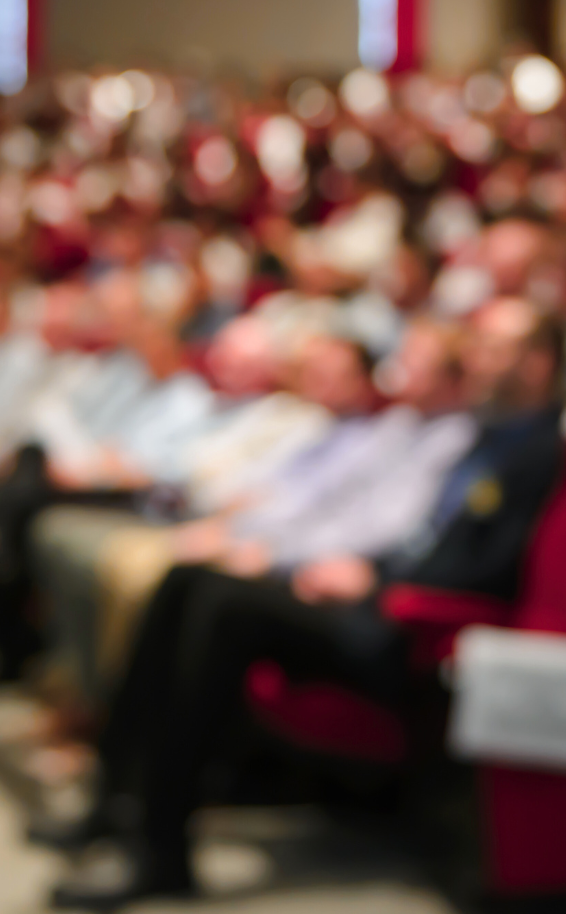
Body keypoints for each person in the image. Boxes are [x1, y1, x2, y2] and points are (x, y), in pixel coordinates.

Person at [38, 297, 565, 909]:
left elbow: (485, 569)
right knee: (187, 582)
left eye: (496, 349)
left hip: (410, 631)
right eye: (476, 345)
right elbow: (408, 526)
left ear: (540, 362)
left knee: (226, 608)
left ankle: (160, 848)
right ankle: (114, 798)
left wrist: (378, 580)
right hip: (377, 594)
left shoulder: (535, 453)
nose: (476, 359)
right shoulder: (482, 430)